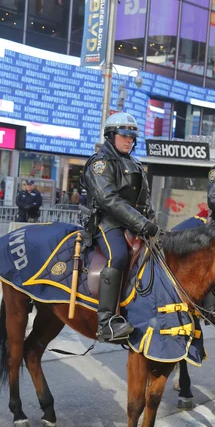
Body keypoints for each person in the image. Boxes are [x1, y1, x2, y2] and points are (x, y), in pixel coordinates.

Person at [82, 111, 158, 343]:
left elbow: (145, 202)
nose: (129, 141)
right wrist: (141, 223)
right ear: (111, 136)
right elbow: (109, 201)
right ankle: (106, 323)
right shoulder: (100, 163)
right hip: (108, 223)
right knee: (117, 257)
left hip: (135, 224)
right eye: (124, 136)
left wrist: (153, 224)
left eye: (132, 137)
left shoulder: (134, 163)